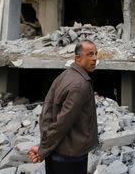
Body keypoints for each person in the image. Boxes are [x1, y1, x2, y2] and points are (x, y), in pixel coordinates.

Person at [26, 40, 99, 173]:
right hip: (71, 157)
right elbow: (62, 123)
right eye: (89, 54)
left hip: (57, 153)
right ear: (78, 58)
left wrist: (44, 147)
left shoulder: (64, 76)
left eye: (95, 54)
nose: (95, 58)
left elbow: (46, 113)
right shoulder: (80, 85)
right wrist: (43, 150)